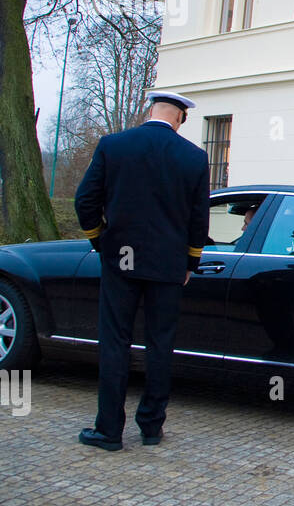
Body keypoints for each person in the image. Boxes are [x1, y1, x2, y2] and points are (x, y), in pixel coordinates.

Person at [74, 90, 210, 451]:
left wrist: (100, 241)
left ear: (150, 110)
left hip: (121, 259)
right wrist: (190, 261)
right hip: (168, 266)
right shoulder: (195, 157)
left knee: (115, 342)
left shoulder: (113, 145)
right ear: (180, 118)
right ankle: (151, 427)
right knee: (160, 344)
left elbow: (85, 199)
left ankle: (109, 431)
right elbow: (199, 218)